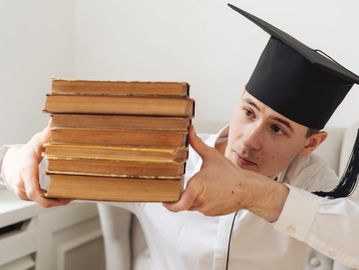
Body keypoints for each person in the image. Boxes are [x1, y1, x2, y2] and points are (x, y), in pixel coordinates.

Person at [1, 3, 359, 269]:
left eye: (278, 128)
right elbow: (41, 170)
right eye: (249, 111)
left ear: (310, 144)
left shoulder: (311, 178)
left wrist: (254, 193)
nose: (250, 139)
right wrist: (14, 160)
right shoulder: (167, 153)